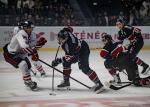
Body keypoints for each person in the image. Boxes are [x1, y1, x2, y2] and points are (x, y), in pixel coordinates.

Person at [51, 28, 105, 94]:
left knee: (84, 67)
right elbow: (69, 29)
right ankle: (66, 82)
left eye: (61, 39)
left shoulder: (70, 45)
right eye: (58, 38)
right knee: (66, 63)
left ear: (65, 38)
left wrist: (58, 61)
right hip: (76, 49)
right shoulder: (66, 33)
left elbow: (69, 57)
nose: (59, 40)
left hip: (83, 50)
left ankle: (99, 84)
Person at [3, 21, 39, 91]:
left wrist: (37, 46)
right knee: (23, 64)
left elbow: (31, 46)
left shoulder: (30, 34)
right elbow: (24, 46)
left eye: (32, 28)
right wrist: (32, 52)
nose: (32, 29)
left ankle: (26, 79)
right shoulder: (21, 33)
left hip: (19, 53)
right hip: (11, 54)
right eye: (30, 28)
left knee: (28, 66)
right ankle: (28, 81)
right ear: (26, 28)